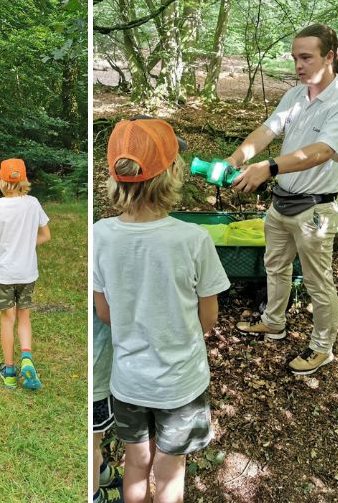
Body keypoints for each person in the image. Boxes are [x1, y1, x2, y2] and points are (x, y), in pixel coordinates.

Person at [93, 118, 230, 503]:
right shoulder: (193, 239)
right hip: (180, 384)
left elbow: (104, 313)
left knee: (136, 462)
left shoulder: (100, 235)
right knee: (170, 470)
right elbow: (208, 319)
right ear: (172, 173)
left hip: (128, 381)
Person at [228, 23, 338, 375]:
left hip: (315, 210)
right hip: (281, 203)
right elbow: (268, 130)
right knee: (275, 267)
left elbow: (321, 151)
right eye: (295, 58)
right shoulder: (295, 96)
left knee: (319, 282)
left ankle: (322, 347)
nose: (298, 65)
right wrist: (237, 158)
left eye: (306, 57)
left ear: (329, 57)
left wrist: (268, 168)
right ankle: (274, 322)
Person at [0, 159, 50, 390]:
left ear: (1, 180)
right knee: (24, 318)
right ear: (23, 180)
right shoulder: (33, 203)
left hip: (4, 274)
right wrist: (27, 246)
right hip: (28, 273)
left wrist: (3, 249)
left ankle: (9, 372)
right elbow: (46, 235)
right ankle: (27, 358)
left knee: (7, 320)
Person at [93, 303, 124, 503]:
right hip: (96, 372)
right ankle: (95, 496)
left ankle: (101, 471)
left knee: (97, 436)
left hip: (100, 368)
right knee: (92, 440)